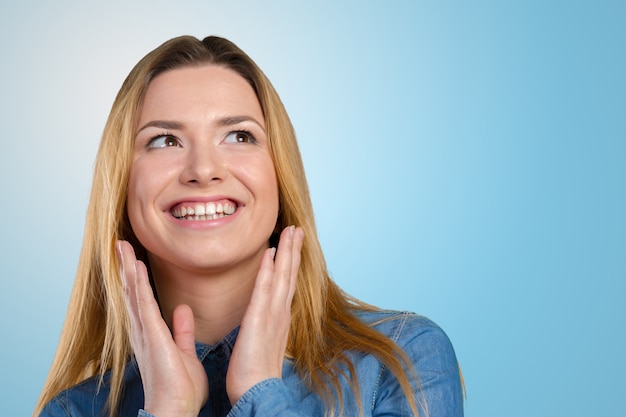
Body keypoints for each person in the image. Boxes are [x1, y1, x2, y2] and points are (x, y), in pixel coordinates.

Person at [33, 35, 464, 417]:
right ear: (123, 186)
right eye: (164, 140)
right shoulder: (71, 411)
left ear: (280, 173)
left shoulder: (403, 360)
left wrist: (260, 392)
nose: (203, 169)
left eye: (239, 136)